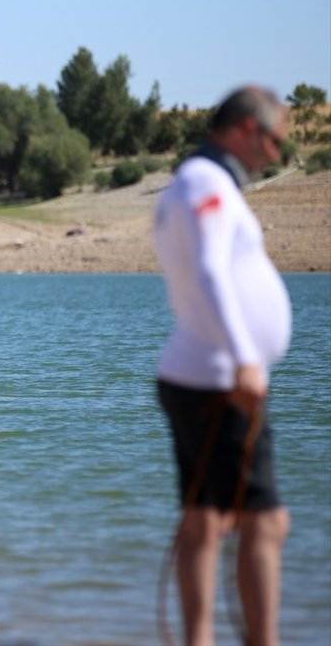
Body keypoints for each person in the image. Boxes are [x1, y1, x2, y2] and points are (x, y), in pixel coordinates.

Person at [153, 86, 292, 646]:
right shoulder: (207, 183)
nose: (277, 156)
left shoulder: (194, 182)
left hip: (203, 374)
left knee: (208, 518)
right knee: (264, 521)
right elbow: (209, 272)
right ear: (244, 129)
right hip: (218, 377)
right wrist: (244, 360)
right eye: (276, 140)